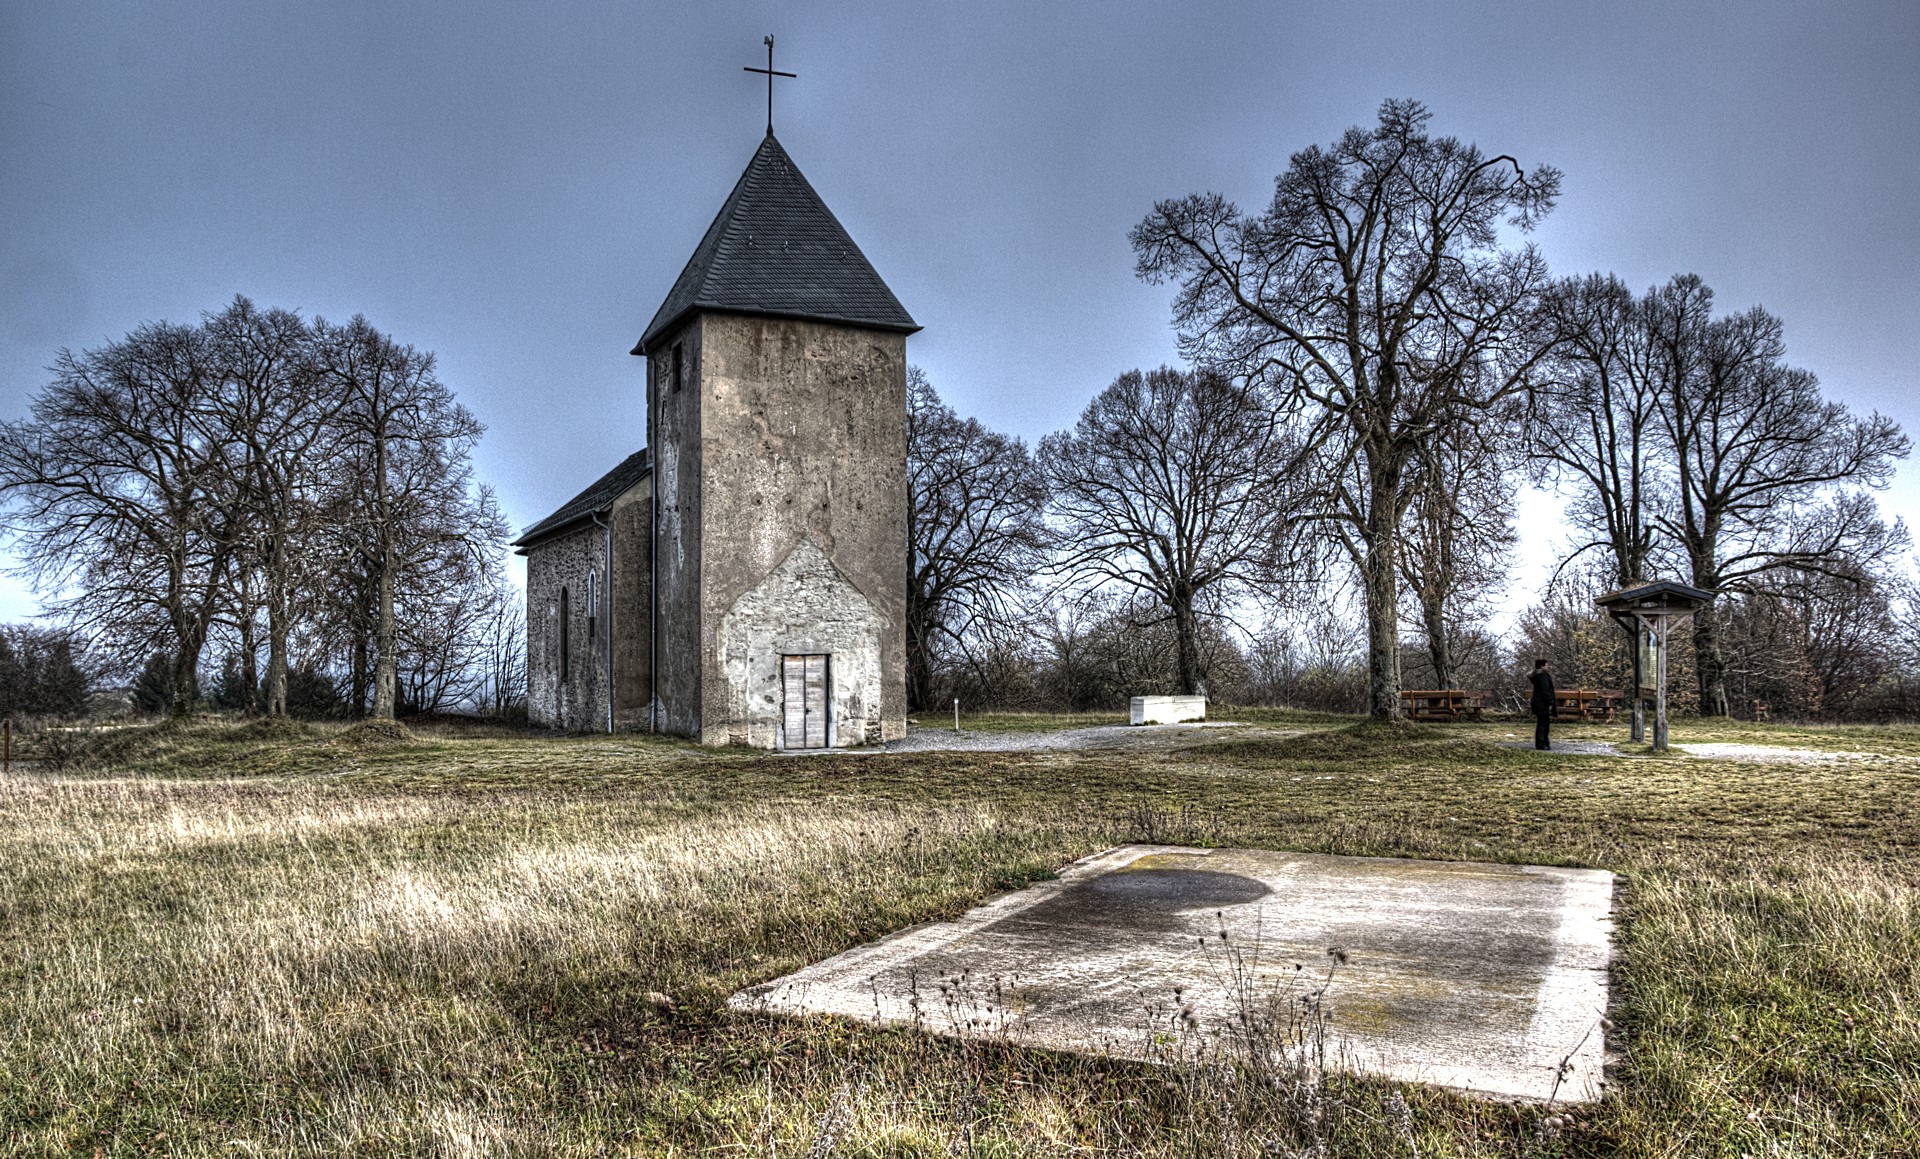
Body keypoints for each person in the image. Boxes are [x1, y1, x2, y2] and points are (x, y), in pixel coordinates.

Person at [1528, 658, 1556, 750]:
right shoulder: (1543, 676)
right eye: (1547, 665)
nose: (1548, 667)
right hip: (1542, 703)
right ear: (1542, 666)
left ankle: (1543, 742)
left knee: (1542, 723)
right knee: (1543, 724)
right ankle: (1542, 743)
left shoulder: (1537, 676)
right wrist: (1550, 701)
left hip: (1538, 702)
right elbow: (1545, 691)